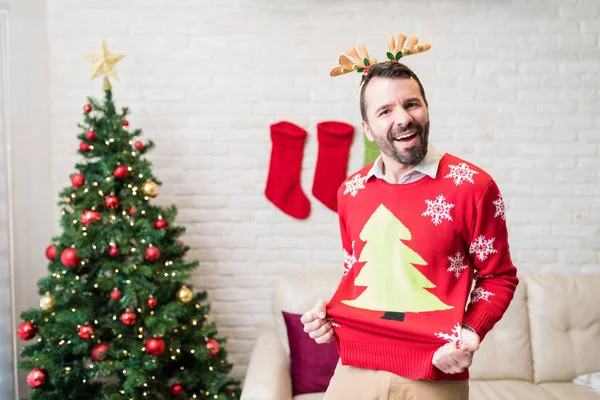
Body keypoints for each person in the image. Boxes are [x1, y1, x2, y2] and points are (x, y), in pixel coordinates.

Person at [301, 32, 519, 400]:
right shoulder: (351, 192)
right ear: (368, 129)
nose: (403, 118)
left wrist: (469, 333)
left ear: (427, 109)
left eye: (412, 104)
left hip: (435, 372)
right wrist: (329, 317)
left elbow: (499, 277)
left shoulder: (472, 187)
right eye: (385, 111)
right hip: (354, 369)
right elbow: (358, 274)